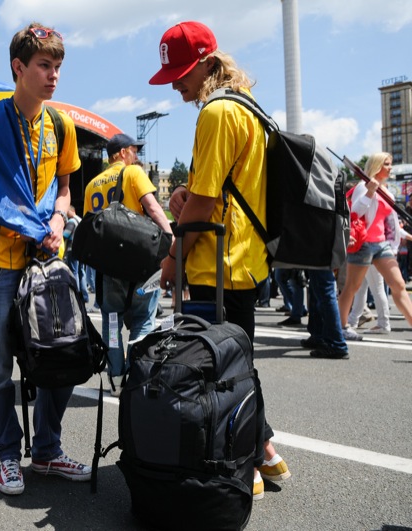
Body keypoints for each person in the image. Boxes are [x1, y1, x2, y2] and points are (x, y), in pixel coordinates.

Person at [0, 22, 90, 496]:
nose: (53, 76)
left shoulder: (60, 125)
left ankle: (46, 451)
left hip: (48, 259)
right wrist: (4, 216)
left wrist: (58, 222)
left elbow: (66, 190)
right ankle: (8, 455)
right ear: (18, 68)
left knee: (63, 354)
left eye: (58, 66)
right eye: (45, 66)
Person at [149, 20, 290, 500]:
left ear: (209, 63)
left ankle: (241, 462)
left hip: (216, 263)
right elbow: (221, 191)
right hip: (246, 260)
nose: (177, 84)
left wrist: (171, 259)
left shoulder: (215, 114)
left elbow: (205, 205)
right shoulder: (249, 109)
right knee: (238, 361)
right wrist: (189, 197)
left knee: (219, 371)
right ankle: (266, 454)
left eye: (183, 73)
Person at [83, 133, 173, 397]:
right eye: (133, 150)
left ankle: (115, 375)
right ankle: (137, 373)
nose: (136, 155)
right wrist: (172, 238)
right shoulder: (133, 173)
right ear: (121, 153)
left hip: (108, 265)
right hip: (140, 262)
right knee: (144, 319)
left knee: (111, 322)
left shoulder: (92, 184)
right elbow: (153, 208)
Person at [338, 152, 412, 339]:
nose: (390, 167)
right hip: (363, 244)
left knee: (398, 285)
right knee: (352, 288)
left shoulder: (386, 190)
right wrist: (370, 192)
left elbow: (390, 221)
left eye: (390, 164)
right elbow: (355, 212)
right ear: (377, 165)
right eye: (386, 164)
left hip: (382, 244)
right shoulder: (363, 187)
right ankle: (340, 327)